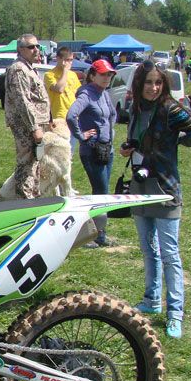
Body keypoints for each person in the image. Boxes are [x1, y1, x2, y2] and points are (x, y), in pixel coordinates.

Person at [119, 60, 191, 338]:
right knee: (148, 249)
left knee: (170, 253)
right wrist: (129, 148)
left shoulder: (171, 109)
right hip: (140, 186)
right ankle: (151, 300)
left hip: (166, 188)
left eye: (158, 83)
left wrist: (177, 142)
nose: (153, 87)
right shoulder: (136, 108)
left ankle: (175, 313)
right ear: (139, 83)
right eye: (148, 82)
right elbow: (138, 139)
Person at [66, 59, 118, 248]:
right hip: (92, 150)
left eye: (109, 74)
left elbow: (112, 115)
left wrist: (109, 133)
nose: (107, 77)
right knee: (101, 193)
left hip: (106, 149)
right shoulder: (87, 94)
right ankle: (94, 235)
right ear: (93, 75)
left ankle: (98, 233)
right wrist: (82, 136)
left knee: (102, 192)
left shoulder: (104, 93)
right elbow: (71, 116)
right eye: (103, 74)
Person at [4, 34, 51, 199]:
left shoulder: (28, 68)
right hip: (26, 125)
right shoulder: (19, 69)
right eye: (31, 47)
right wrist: (34, 127)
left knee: (35, 162)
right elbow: (23, 101)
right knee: (26, 164)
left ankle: (33, 198)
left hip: (36, 123)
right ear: (21, 49)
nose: (36, 50)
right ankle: (23, 202)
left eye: (37, 46)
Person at [44, 46, 81, 151]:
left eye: (71, 60)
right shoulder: (49, 75)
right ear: (58, 59)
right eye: (67, 60)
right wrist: (65, 71)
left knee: (70, 149)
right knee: (60, 150)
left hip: (73, 117)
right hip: (59, 117)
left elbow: (78, 94)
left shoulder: (73, 75)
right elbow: (59, 89)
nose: (69, 63)